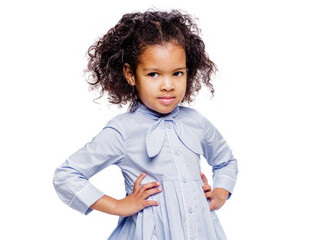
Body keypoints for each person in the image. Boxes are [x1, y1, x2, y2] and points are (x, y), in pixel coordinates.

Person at [53, 9, 238, 240]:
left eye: (177, 73)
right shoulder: (122, 130)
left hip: (201, 231)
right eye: (153, 74)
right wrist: (118, 206)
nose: (168, 85)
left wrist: (221, 192)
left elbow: (225, 161)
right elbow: (67, 175)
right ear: (130, 74)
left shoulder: (196, 122)